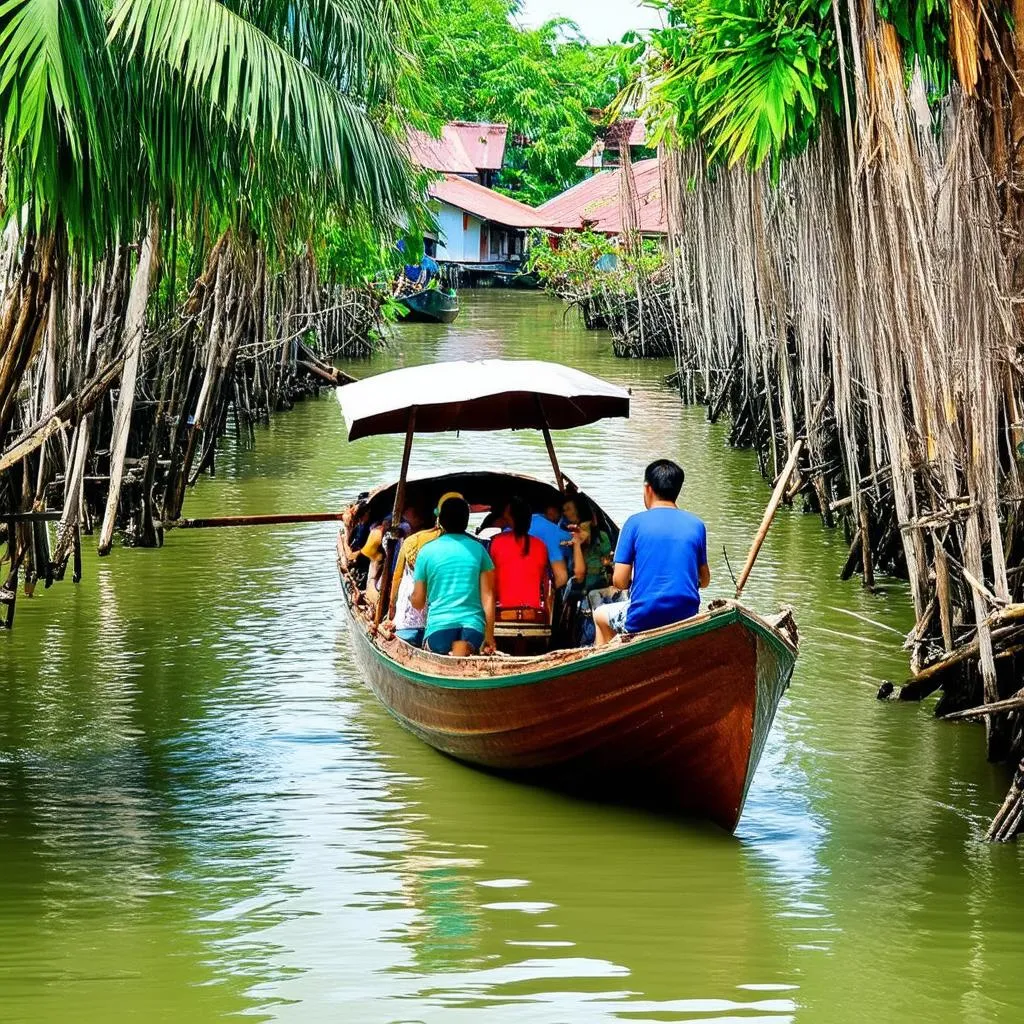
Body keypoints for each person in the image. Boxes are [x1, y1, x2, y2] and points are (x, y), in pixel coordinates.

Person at [593, 459, 710, 646]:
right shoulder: (697, 525)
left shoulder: (634, 523)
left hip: (642, 617)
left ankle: (601, 668)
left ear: (648, 489)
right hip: (687, 614)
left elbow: (620, 582)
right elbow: (704, 582)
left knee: (599, 615)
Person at [411, 496, 496, 656]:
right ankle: (463, 649)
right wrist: (489, 636)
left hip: (439, 630)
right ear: (466, 520)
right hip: (473, 630)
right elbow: (488, 597)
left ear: (441, 521)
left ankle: (456, 652)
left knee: (440, 647)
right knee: (465, 648)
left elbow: (418, 602)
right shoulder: (479, 550)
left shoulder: (426, 552)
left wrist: (411, 598)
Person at [387, 492, 461, 647]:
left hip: (410, 620)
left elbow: (397, 577)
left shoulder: (411, 541)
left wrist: (391, 610)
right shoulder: (451, 540)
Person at [490, 496, 584, 611]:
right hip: (534, 610)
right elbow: (561, 578)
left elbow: (491, 582)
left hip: (502, 610)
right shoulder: (542, 543)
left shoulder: (498, 541)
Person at [562, 494, 613, 592]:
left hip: (586, 587)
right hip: (597, 586)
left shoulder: (576, 535)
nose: (565, 513)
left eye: (568, 509)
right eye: (564, 510)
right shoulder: (601, 535)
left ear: (579, 511)